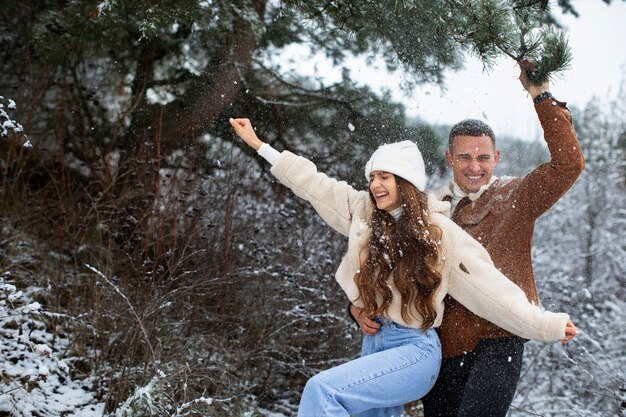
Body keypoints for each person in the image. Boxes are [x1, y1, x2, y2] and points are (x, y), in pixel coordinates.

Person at [229, 114, 577, 417]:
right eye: (372, 176)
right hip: (377, 342)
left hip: (416, 347)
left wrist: (548, 324)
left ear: (405, 181)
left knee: (323, 391)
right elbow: (313, 184)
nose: (375, 184)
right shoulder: (365, 213)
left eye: (385, 177)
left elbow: (491, 291)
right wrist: (260, 145)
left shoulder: (437, 232)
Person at [351, 63, 585, 416]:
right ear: (449, 158)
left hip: (498, 339)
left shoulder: (517, 196)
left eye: (483, 157)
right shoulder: (428, 210)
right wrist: (357, 305)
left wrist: (541, 95)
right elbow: (390, 266)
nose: (474, 166)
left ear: (497, 158)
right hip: (440, 346)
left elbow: (569, 164)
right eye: (465, 157)